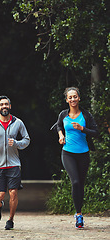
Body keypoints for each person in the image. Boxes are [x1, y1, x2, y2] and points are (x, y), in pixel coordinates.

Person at [0, 95, 30, 230]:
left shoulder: (18, 122)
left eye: (6, 104)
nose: (4, 107)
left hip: (14, 164)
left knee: (13, 193)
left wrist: (16, 143)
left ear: (10, 106)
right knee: (0, 195)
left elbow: (27, 139)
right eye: (1, 105)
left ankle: (10, 220)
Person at [55, 87, 98, 228]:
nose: (73, 99)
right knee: (75, 182)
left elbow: (96, 132)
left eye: (75, 97)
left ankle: (79, 211)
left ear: (79, 98)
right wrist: (61, 135)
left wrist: (82, 129)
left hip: (84, 154)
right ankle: (78, 215)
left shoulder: (86, 115)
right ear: (66, 100)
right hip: (68, 153)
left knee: (81, 184)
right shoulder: (63, 114)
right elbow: (58, 126)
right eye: (70, 97)